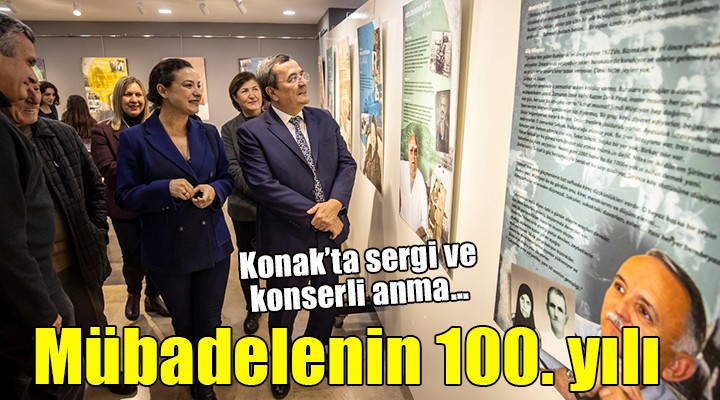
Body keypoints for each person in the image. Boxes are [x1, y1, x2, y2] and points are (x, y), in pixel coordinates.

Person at [237, 53, 357, 399]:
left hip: (329, 233)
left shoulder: (323, 119)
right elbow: (264, 187)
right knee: (283, 309)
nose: (303, 81)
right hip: (286, 237)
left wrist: (335, 205)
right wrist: (319, 215)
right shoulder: (252, 132)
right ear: (271, 92)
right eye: (291, 78)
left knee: (325, 303)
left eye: (301, 74)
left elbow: (346, 164)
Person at [115, 58, 234, 400]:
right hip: (167, 247)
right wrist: (163, 188)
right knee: (184, 322)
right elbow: (125, 196)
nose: (197, 92)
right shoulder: (136, 138)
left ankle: (204, 380)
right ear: (163, 91)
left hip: (212, 243)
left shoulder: (208, 132)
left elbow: (226, 177)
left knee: (209, 321)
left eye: (199, 86)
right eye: (188, 85)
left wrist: (214, 191)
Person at [496, 249, 707, 400]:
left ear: (676, 366)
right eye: (620, 288)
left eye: (645, 312)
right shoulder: (568, 324)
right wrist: (559, 380)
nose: (618, 310)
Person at [0, 13, 82, 400]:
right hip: (29, 304)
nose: (33, 79)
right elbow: (7, 244)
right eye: (29, 62)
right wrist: (42, 313)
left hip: (37, 289)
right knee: (60, 387)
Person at [91, 75, 170, 321]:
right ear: (118, 98)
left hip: (156, 203)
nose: (134, 100)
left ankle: (152, 296)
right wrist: (151, 168)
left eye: (138, 94)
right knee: (133, 256)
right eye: (128, 94)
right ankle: (133, 292)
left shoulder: (158, 127)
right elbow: (108, 168)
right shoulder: (103, 130)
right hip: (124, 206)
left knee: (159, 252)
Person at [221, 71, 263, 335]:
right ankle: (253, 307)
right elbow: (233, 168)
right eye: (244, 91)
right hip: (245, 209)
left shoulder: (276, 121)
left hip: (278, 209)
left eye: (255, 89)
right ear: (235, 98)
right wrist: (265, 194)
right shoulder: (229, 129)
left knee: (280, 260)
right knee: (249, 263)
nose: (252, 95)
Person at [399, 132, 428, 238]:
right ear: (407, 152)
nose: (413, 156)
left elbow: (424, 222)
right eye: (411, 151)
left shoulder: (420, 182)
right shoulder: (400, 168)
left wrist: (417, 234)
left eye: (416, 151)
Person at [363, 115, 382, 190]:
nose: (372, 138)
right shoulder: (368, 153)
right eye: (371, 135)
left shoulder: (378, 158)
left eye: (374, 134)